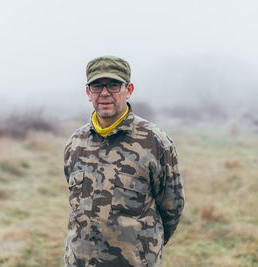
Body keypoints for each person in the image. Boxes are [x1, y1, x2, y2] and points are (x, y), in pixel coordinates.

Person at [63, 56, 185, 267]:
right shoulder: (75, 143)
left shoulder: (155, 141)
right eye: (97, 86)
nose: (104, 93)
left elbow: (172, 207)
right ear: (88, 92)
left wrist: (145, 248)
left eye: (113, 85)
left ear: (128, 90)